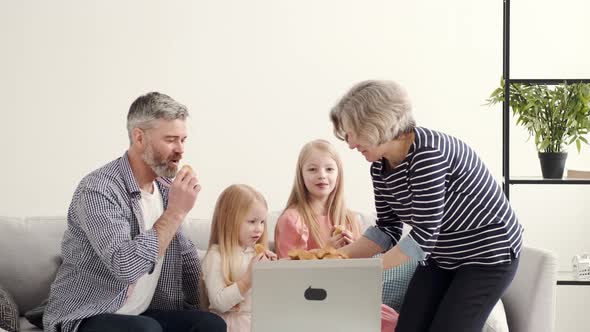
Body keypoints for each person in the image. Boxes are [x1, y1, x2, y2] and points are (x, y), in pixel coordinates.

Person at [329, 79, 524, 332]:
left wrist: (367, 270)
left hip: (488, 255)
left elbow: (423, 237)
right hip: (443, 256)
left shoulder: (428, 153)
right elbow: (388, 229)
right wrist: (336, 258)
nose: (350, 144)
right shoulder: (379, 167)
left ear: (377, 123)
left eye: (353, 133)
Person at [43, 92, 226, 332]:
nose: (180, 150)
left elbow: (186, 256)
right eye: (171, 140)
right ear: (139, 138)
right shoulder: (99, 189)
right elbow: (125, 266)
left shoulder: (165, 189)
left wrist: (205, 304)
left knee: (209, 324)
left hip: (143, 313)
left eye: (183, 139)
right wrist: (175, 213)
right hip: (91, 312)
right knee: (146, 330)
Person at [274, 139, 398, 332]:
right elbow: (286, 278)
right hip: (312, 302)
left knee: (394, 322)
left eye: (329, 169)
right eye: (313, 169)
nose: (322, 176)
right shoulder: (292, 219)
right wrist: (327, 252)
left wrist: (355, 249)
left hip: (349, 298)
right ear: (301, 174)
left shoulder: (349, 218)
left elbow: (361, 276)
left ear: (338, 174)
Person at [202, 184, 277, 332]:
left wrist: (274, 271)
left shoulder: (256, 254)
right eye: (252, 222)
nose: (259, 228)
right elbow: (219, 303)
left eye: (262, 222)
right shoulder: (216, 256)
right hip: (230, 325)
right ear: (229, 220)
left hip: (259, 321)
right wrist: (247, 280)